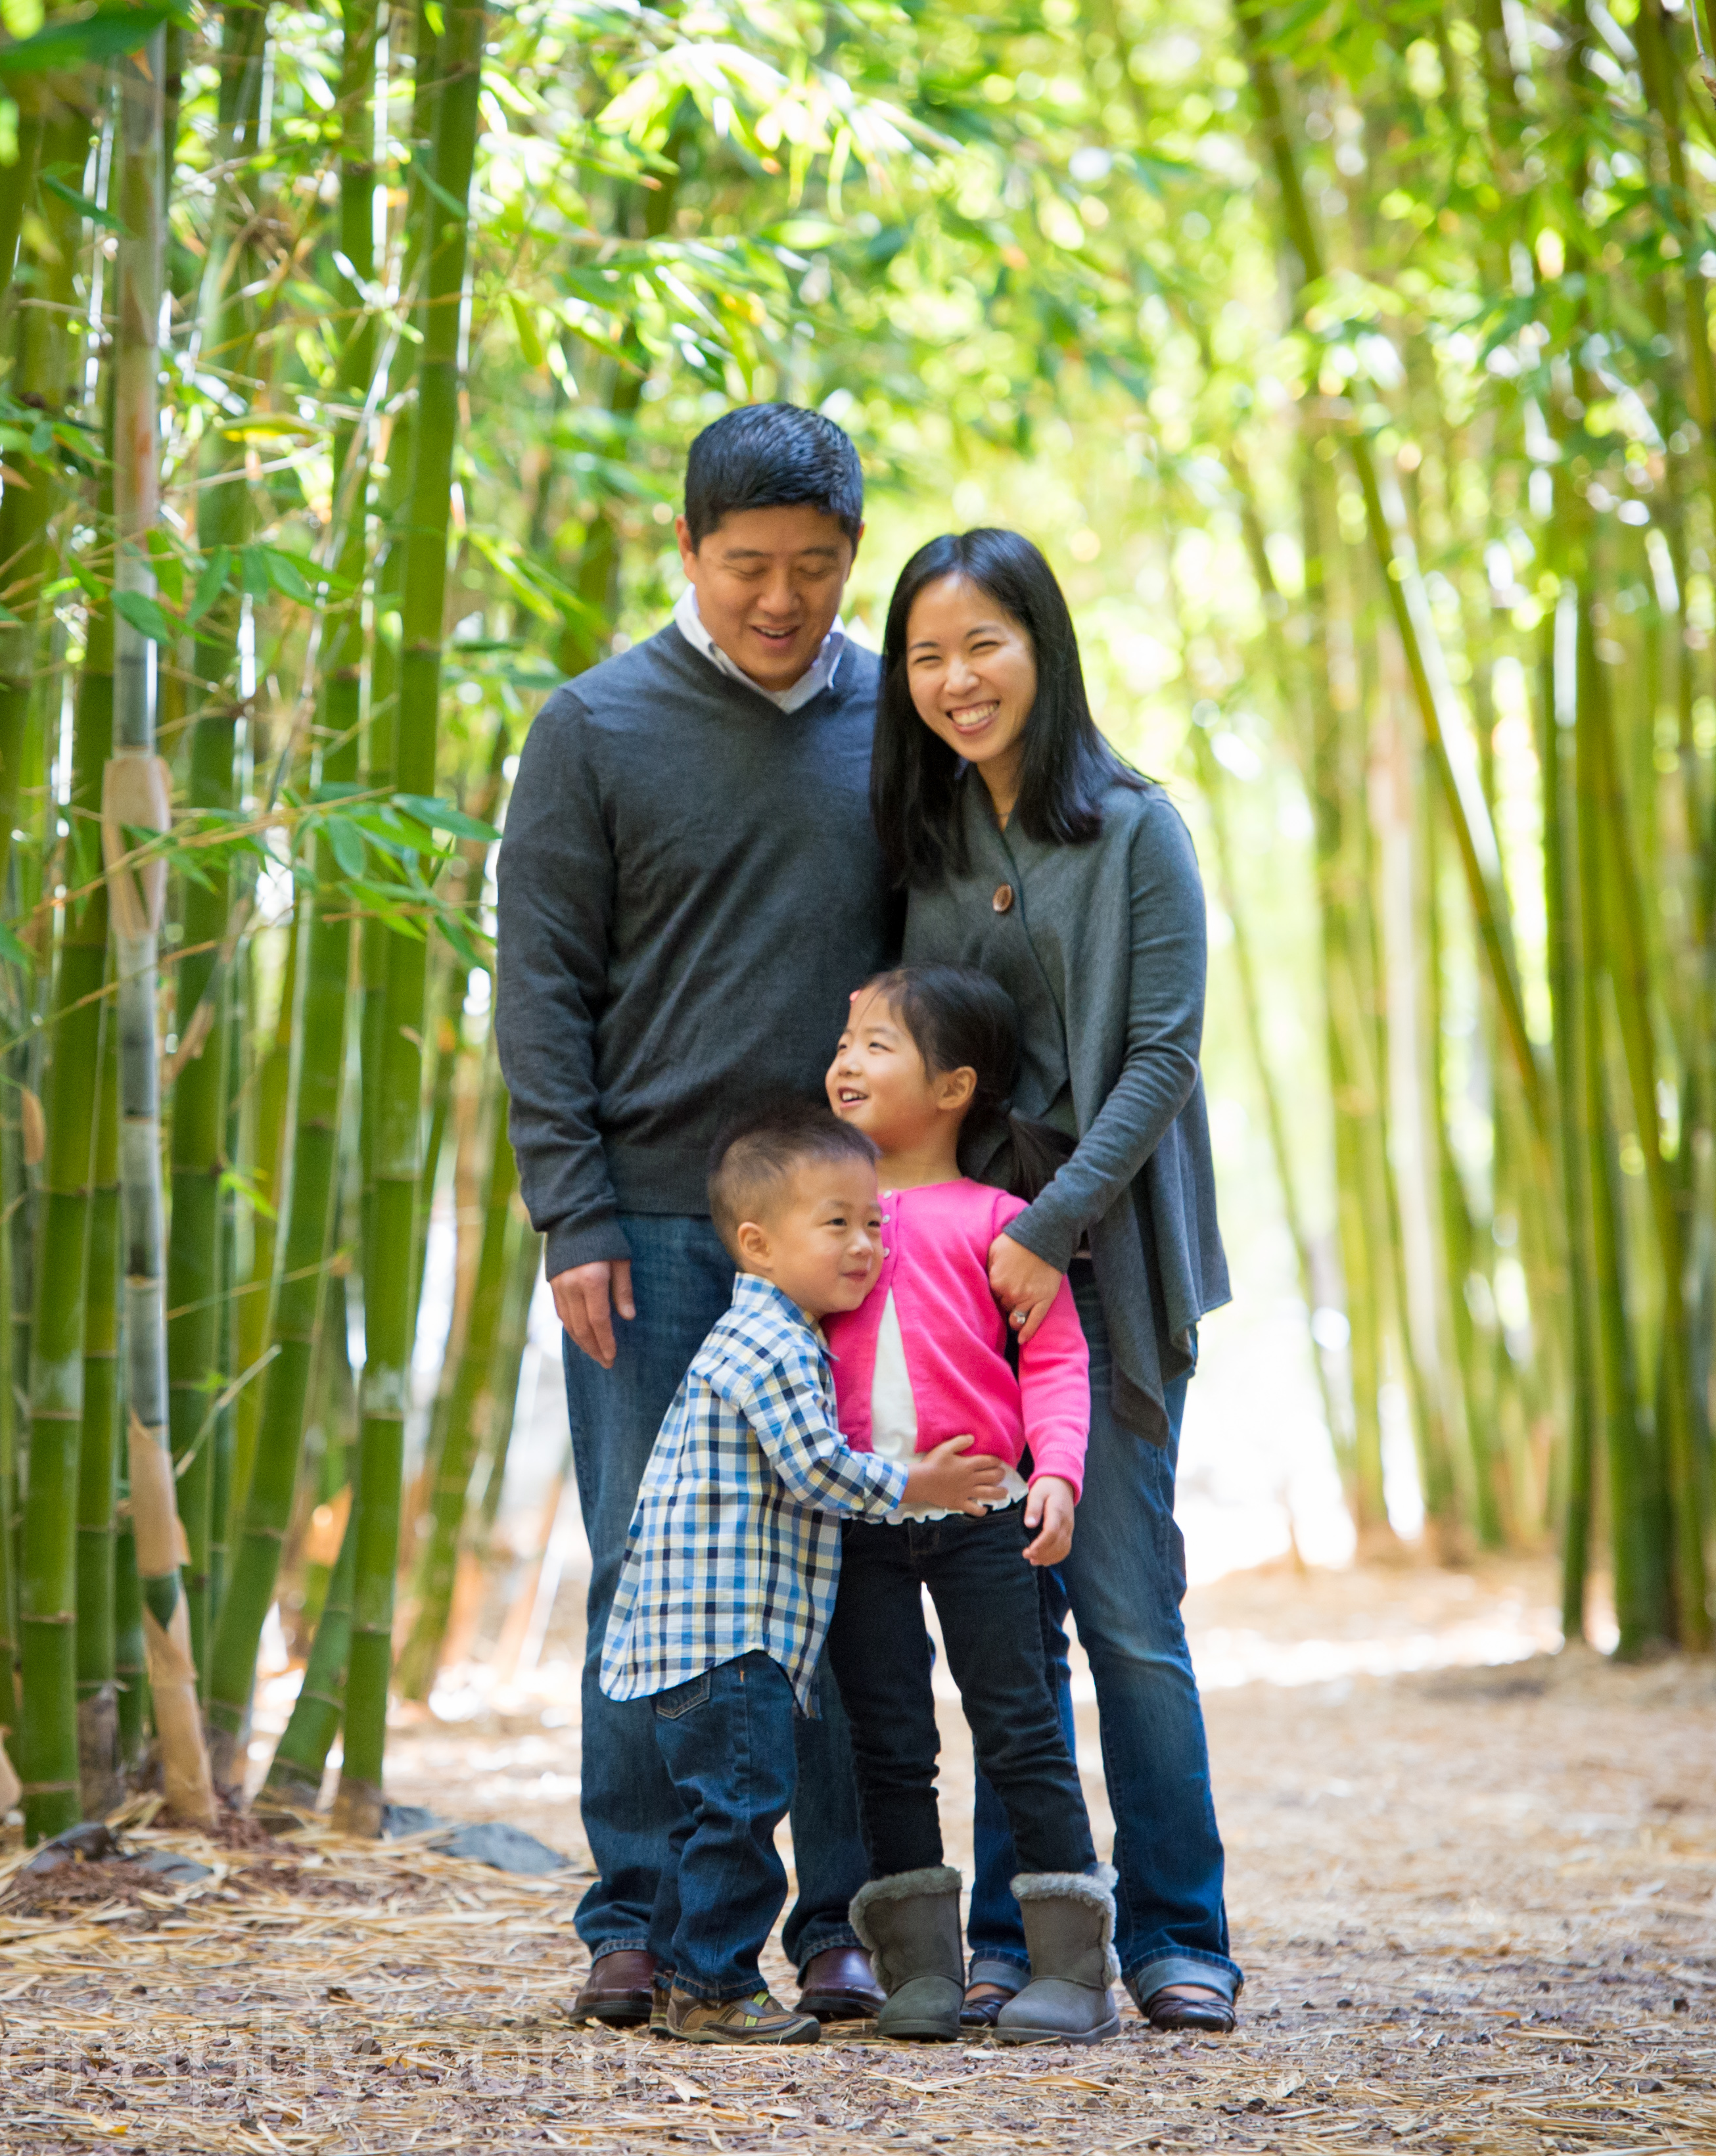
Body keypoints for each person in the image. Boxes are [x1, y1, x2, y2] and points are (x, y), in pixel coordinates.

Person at [496, 404, 901, 2029]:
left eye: (814, 567)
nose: (781, 600)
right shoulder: (591, 727)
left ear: (850, 560)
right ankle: (637, 1916)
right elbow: (539, 988)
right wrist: (569, 1206)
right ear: (687, 551)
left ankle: (840, 1923)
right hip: (654, 1224)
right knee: (651, 1575)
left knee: (840, 1571)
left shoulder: (900, 717)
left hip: (845, 1228)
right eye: (747, 566)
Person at [868, 528, 1242, 2034]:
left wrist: (1049, 1226)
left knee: (1123, 1604)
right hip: (968, 1286)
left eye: (984, 645)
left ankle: (1178, 1929)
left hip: (1110, 1258)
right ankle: (1020, 1933)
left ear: (1045, 646)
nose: (957, 680)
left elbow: (1161, 1054)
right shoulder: (933, 841)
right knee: (1000, 1626)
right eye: (926, 656)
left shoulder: (1137, 825)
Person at [593, 1106, 1009, 2043]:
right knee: (739, 1813)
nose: (865, 1245)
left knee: (712, 1815)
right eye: (837, 1224)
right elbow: (818, 1469)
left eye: (873, 1223)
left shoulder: (776, 1335)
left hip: (714, 1632)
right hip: (726, 1637)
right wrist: (921, 1484)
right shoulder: (771, 1344)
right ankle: (715, 1988)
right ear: (758, 1243)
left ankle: (680, 1977)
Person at [819, 965, 1123, 2045]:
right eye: (844, 1042)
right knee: (888, 1743)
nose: (847, 1061)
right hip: (858, 1525)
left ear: (953, 1088)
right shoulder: (828, 1220)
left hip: (986, 1518)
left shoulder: (1000, 1220)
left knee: (1021, 1728)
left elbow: (1055, 1359)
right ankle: (920, 1973)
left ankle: (1072, 1972)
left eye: (877, 1045)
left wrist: (1059, 1471)